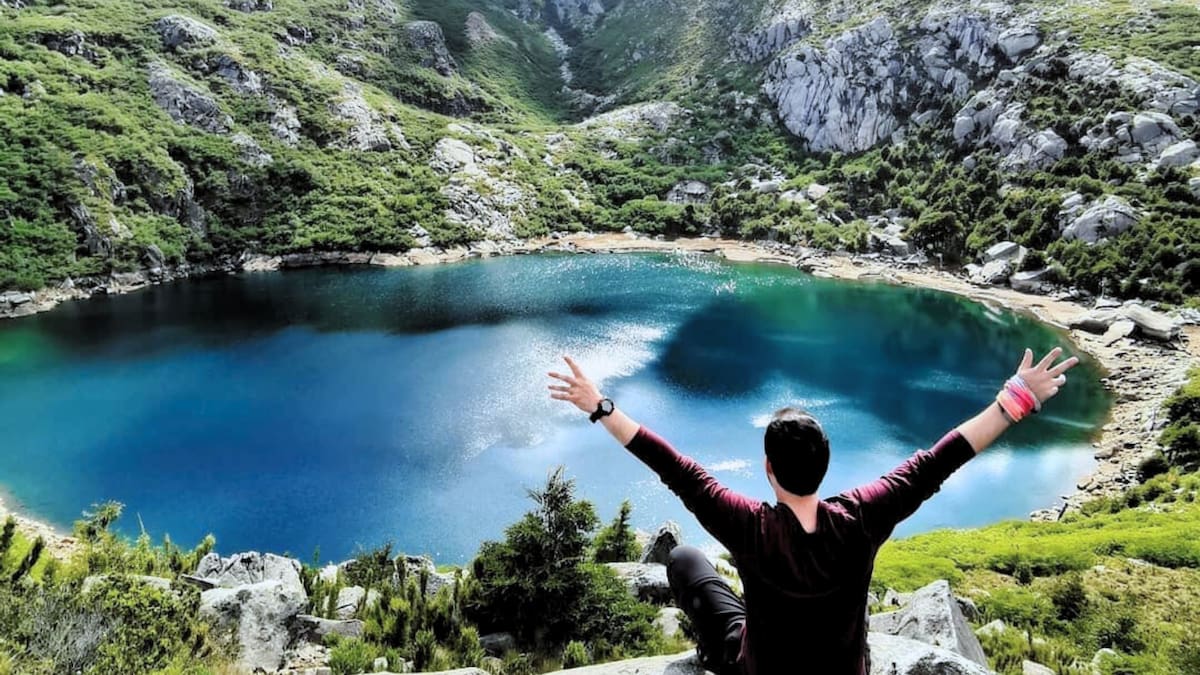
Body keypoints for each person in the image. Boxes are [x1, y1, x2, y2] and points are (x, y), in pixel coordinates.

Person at [548, 347, 1079, 675]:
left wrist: (600, 405)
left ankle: (712, 657)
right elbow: (940, 460)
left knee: (686, 559)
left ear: (768, 469)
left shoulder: (749, 525)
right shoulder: (862, 517)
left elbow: (674, 466)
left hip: (757, 667)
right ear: (825, 466)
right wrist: (1015, 401)